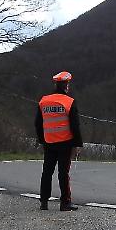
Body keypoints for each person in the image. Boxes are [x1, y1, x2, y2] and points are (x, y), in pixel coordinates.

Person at [35, 70, 83, 211]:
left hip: (49, 142)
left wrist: (42, 140)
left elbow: (38, 123)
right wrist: (78, 144)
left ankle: (44, 201)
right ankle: (65, 202)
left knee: (47, 172)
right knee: (63, 173)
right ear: (66, 85)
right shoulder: (69, 102)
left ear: (56, 85)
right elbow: (75, 125)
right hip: (65, 143)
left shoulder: (43, 101)